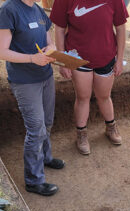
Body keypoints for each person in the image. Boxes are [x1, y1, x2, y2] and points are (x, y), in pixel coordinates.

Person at [0, 0, 65, 196]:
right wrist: (31, 58)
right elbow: (2, 51)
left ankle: (45, 157)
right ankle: (34, 180)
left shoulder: (37, 9)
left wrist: (50, 49)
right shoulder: (8, 10)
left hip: (45, 76)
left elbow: (49, 41)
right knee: (36, 129)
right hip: (24, 80)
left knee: (47, 122)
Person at [50, 0, 128, 155]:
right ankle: (81, 133)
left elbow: (120, 27)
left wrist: (119, 59)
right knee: (83, 96)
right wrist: (63, 61)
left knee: (104, 96)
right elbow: (59, 29)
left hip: (106, 56)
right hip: (78, 58)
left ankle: (111, 127)